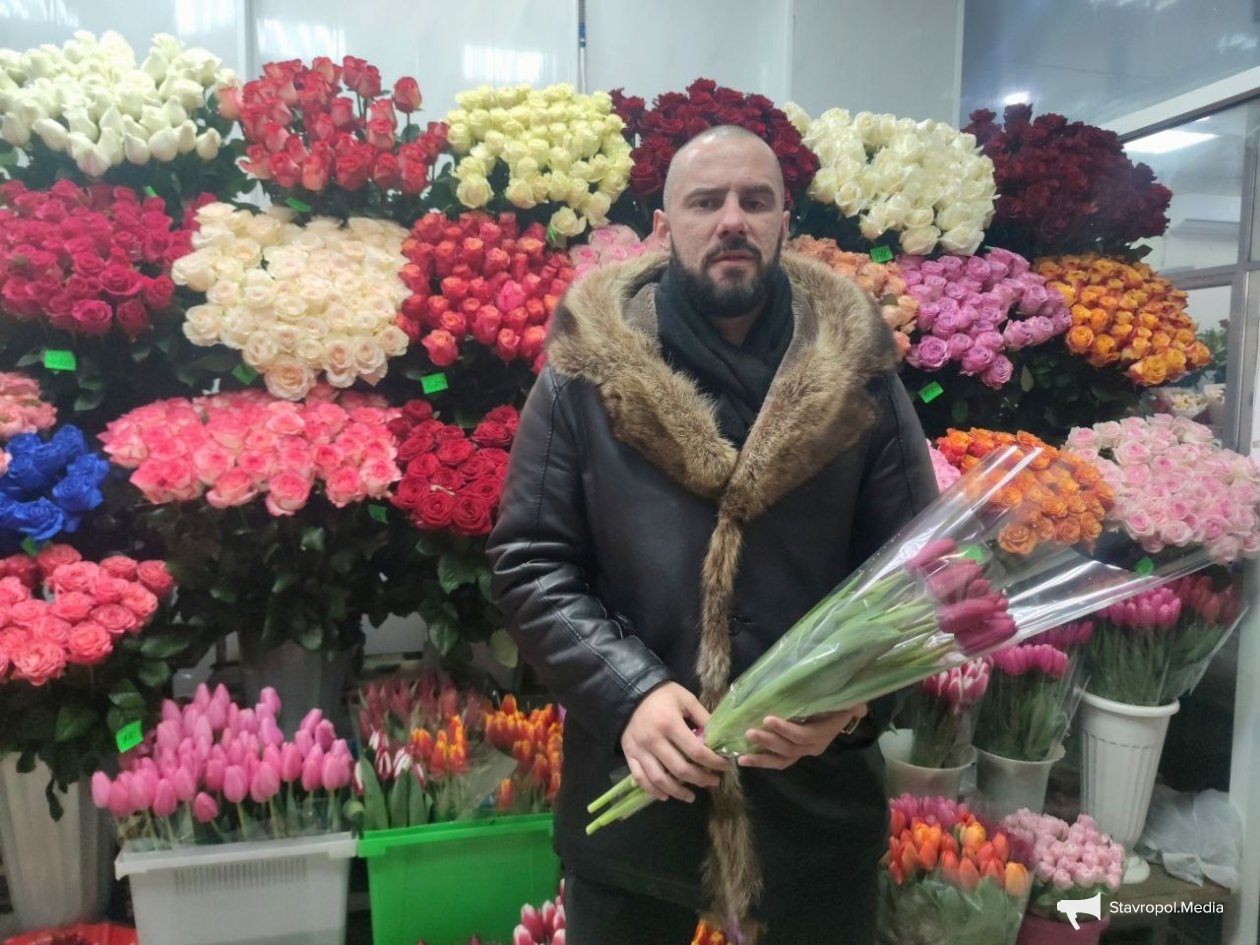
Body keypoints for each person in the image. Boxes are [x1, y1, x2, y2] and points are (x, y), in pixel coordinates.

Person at [487, 125, 938, 945]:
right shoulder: (587, 371)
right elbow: (530, 561)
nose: (732, 219)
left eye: (754, 201)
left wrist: (855, 701)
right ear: (665, 225)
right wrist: (628, 691)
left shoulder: (860, 374)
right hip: (639, 790)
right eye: (706, 202)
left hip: (813, 804)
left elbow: (919, 568)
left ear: (784, 222)